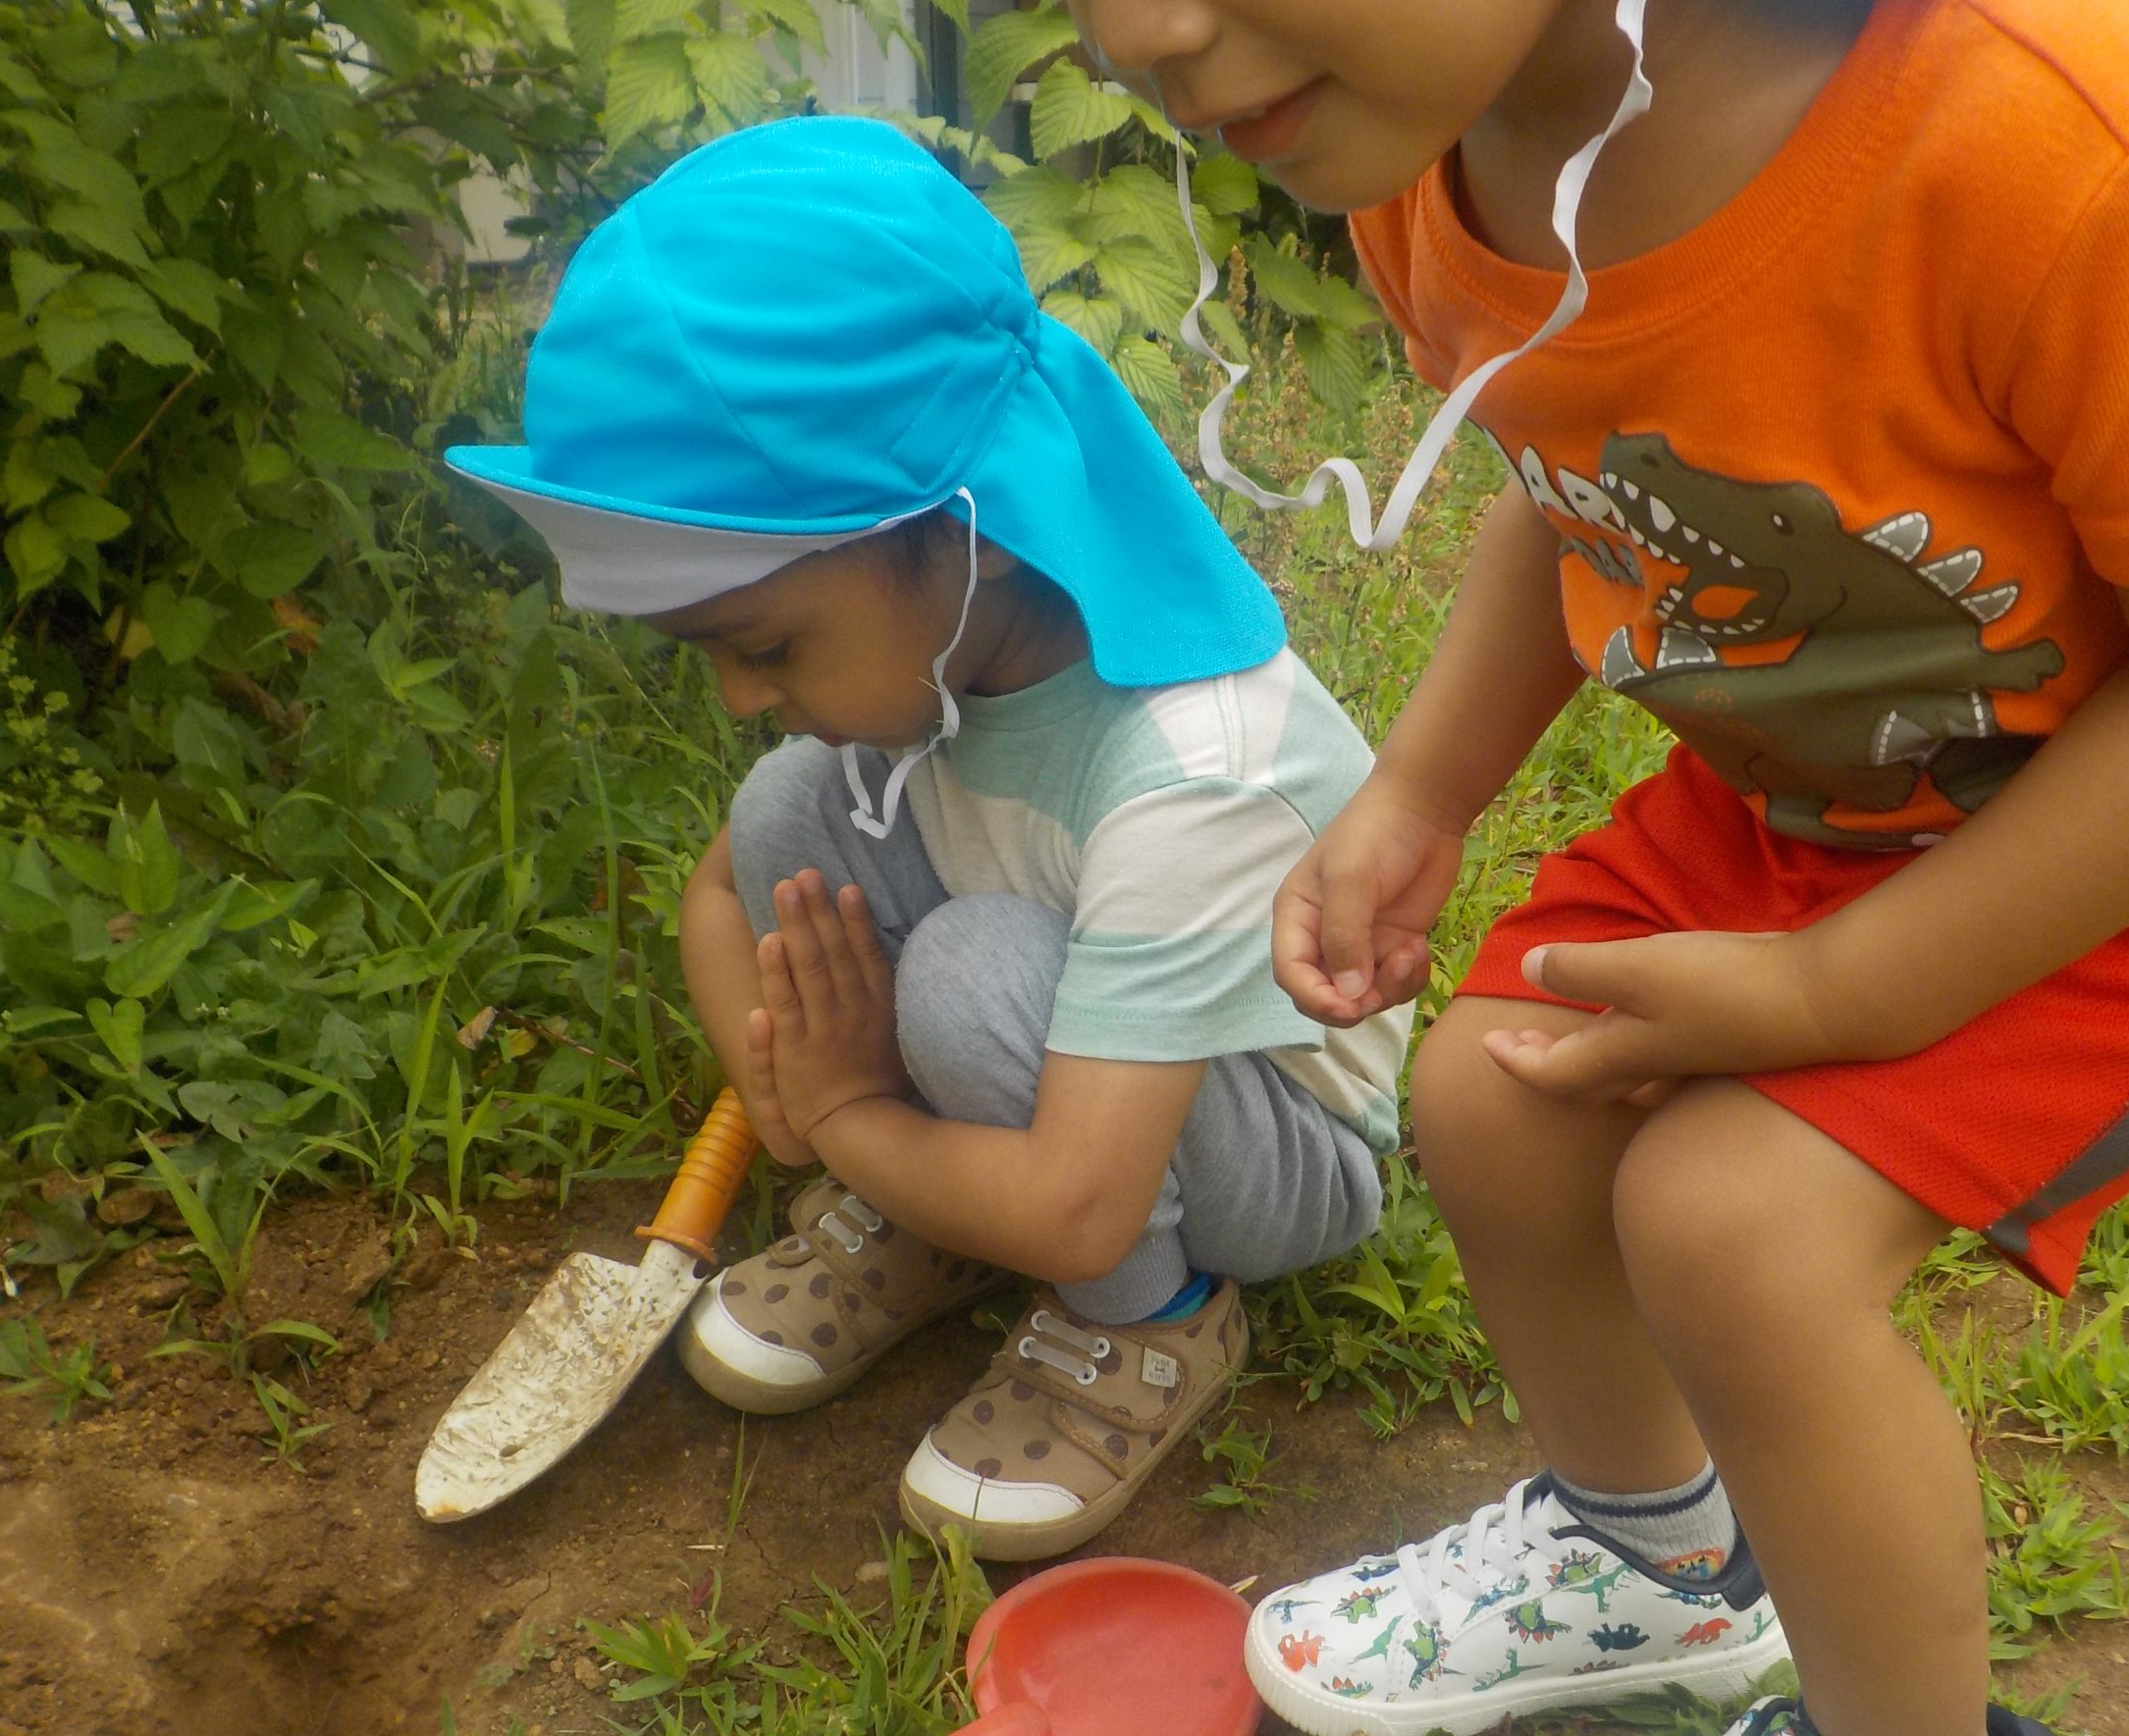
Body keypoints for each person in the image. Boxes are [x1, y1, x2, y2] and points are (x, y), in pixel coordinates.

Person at [1074, 0, 2129, 1736]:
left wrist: (1833, 992)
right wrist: (1428, 791)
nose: (1145, 30)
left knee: (1737, 1229)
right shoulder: (1424, 144)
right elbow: (1578, 476)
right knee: (1494, 1089)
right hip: (1851, 750)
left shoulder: (2095, 155)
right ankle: (1654, 1560)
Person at [446, 115, 1410, 1561]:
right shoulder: (944, 650)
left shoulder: (1190, 767)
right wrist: (787, 1093)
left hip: (1268, 1138)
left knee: (971, 977)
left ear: (981, 534)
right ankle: (946, 1202)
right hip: (1060, 1061)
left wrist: (843, 1121)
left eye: (763, 641)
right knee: (789, 807)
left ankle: (1151, 1329)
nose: (734, 692)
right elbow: (722, 898)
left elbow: (1085, 1206)